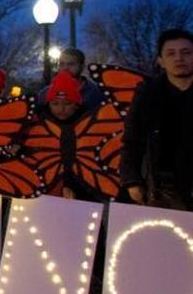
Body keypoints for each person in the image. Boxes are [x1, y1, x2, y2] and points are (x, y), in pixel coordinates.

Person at [121, 29, 193, 210]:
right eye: (171, 53)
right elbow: (132, 140)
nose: (179, 59)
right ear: (160, 60)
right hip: (163, 187)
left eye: (186, 53)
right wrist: (132, 180)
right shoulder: (147, 94)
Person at [35, 71, 103, 201]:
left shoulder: (88, 126)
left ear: (76, 105)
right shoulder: (39, 123)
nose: (61, 109)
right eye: (55, 104)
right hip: (44, 190)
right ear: (48, 104)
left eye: (67, 104)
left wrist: (71, 184)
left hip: (82, 191)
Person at [36, 48, 104, 111]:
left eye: (71, 64)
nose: (65, 68)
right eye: (61, 64)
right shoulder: (45, 93)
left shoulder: (96, 92)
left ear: (82, 67)